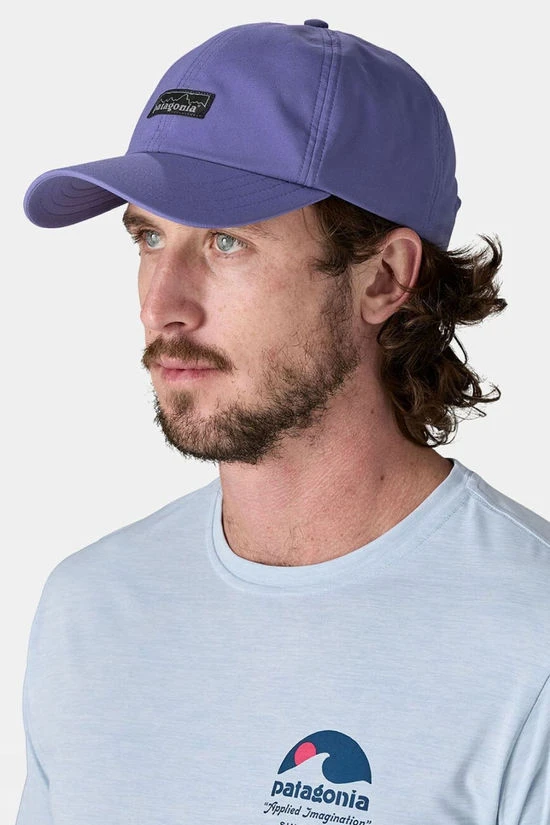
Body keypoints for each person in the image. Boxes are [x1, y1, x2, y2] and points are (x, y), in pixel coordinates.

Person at [16, 19, 549, 825]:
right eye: (150, 236)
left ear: (385, 277)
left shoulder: (529, 639)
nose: (163, 304)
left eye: (226, 242)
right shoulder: (89, 610)